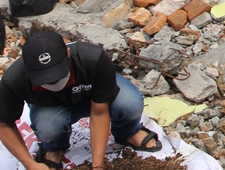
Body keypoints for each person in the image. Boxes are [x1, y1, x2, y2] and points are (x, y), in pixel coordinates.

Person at [0, 31, 161, 170]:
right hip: (52, 106)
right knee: (48, 128)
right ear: (28, 70)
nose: (54, 82)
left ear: (68, 54)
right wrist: (30, 165)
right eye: (46, 80)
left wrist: (97, 166)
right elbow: (4, 124)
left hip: (95, 96)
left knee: (129, 103)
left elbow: (99, 112)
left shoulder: (93, 59)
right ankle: (54, 148)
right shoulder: (14, 80)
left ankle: (127, 132)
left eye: (58, 75)